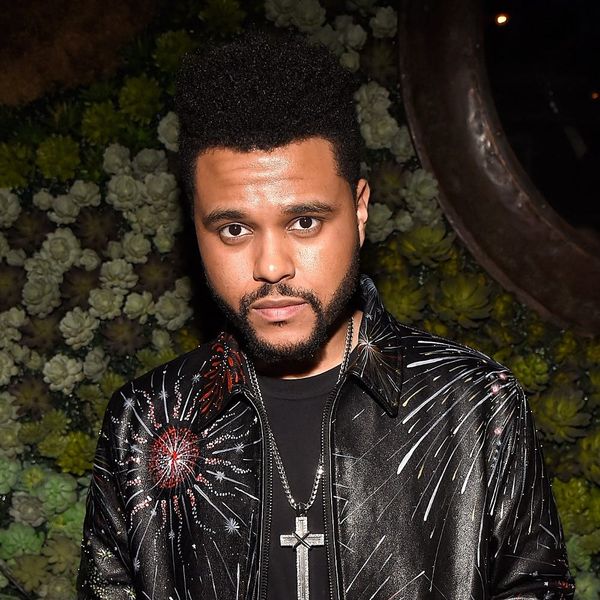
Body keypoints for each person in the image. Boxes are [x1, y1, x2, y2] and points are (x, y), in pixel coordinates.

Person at [77, 30, 575, 600]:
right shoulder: (146, 421)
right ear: (195, 228)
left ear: (359, 211)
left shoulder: (474, 406)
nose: (271, 266)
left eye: (304, 222)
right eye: (234, 229)